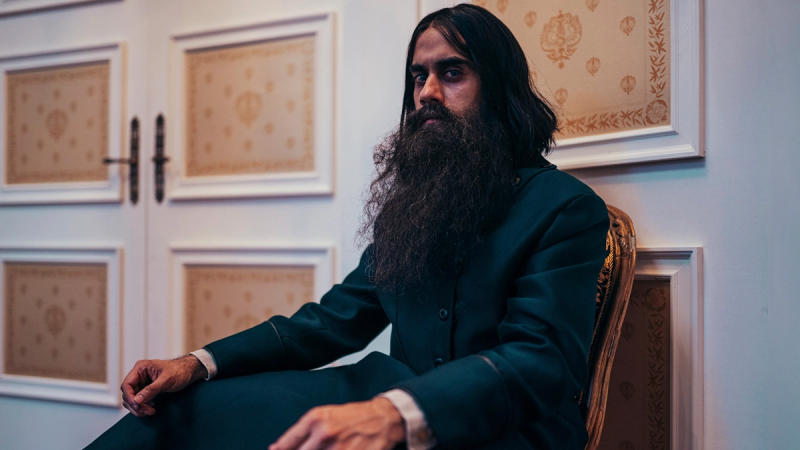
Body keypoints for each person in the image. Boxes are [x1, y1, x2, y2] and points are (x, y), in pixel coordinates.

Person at [87, 4, 609, 450]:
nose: (427, 92)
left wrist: (397, 413)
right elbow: (333, 322)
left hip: (505, 431)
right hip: (387, 393)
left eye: (452, 73)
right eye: (418, 76)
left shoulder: (564, 207)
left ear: (497, 88)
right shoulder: (415, 206)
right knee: (184, 409)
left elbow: (540, 359)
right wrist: (197, 363)